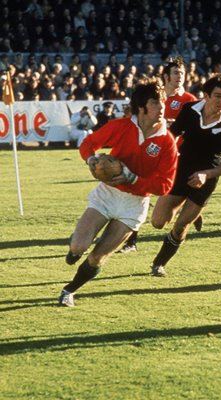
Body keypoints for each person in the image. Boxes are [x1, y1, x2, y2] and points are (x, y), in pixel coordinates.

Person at [59, 77, 178, 307]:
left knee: (97, 257)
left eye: (163, 101)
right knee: (78, 246)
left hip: (134, 204)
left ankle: (69, 290)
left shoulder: (167, 141)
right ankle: (74, 251)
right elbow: (88, 144)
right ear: (142, 107)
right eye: (156, 102)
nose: (162, 107)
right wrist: (92, 160)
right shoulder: (121, 126)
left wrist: (135, 178)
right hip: (107, 194)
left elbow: (165, 185)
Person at [149, 74, 221, 277]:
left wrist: (207, 174)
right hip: (180, 171)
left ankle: (159, 264)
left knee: (181, 226)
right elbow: (173, 134)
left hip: (205, 180)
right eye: (217, 96)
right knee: (158, 222)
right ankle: (189, 207)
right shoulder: (190, 110)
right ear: (206, 95)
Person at [119, 57, 198, 254]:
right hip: (153, 151)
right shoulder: (157, 99)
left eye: (182, 73)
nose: (180, 77)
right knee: (141, 190)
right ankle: (131, 242)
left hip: (178, 156)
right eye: (176, 73)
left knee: (164, 197)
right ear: (165, 76)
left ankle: (187, 207)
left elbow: (195, 127)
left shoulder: (189, 100)